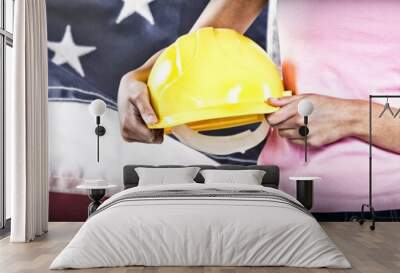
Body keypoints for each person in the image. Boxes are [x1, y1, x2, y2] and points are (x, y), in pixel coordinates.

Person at [118, 0, 400, 212]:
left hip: (389, 211)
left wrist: (354, 116)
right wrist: (134, 80)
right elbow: (201, 47)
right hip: (283, 201)